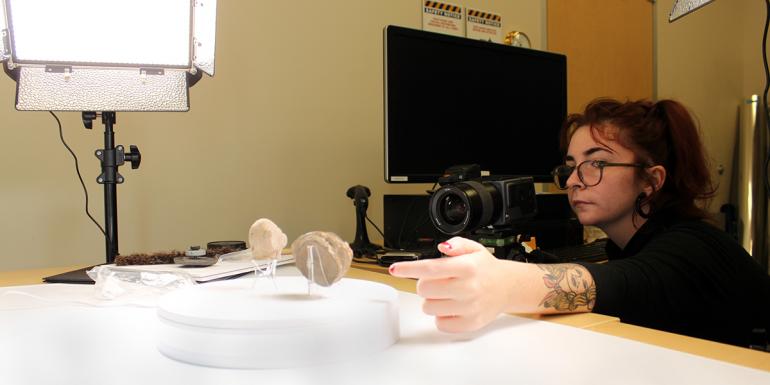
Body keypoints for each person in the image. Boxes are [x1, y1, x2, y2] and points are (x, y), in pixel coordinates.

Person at [389, 98, 770, 348]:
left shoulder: (695, 247)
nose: (573, 181)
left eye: (597, 163)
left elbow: (621, 284)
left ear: (651, 180)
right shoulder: (626, 245)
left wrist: (502, 284)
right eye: (570, 167)